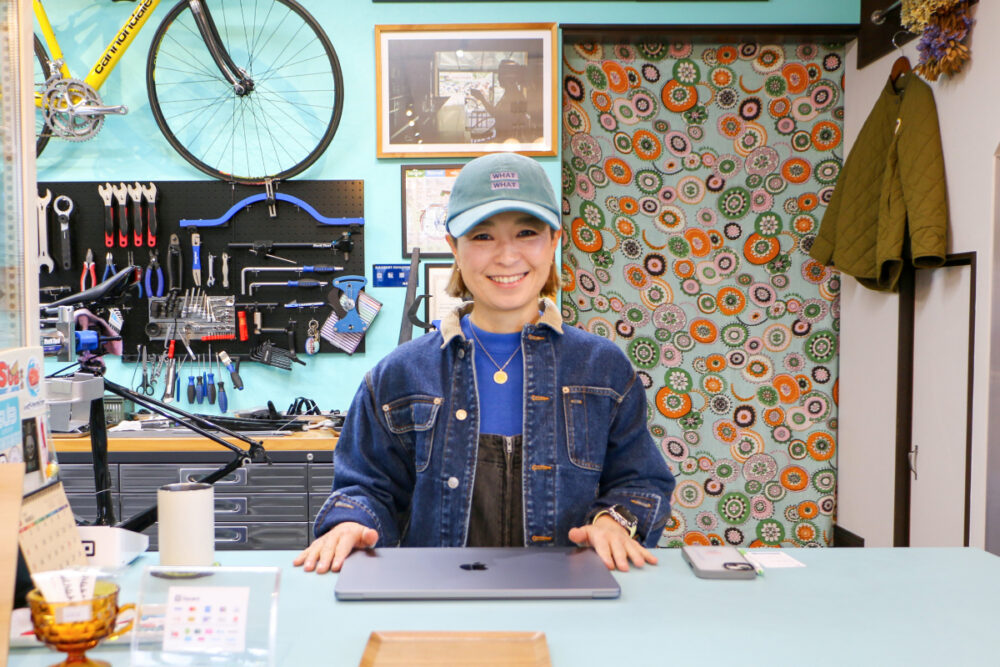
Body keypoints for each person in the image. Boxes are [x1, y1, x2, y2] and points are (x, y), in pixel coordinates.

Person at [294, 152, 675, 575]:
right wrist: (350, 522)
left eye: (527, 232)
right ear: (454, 247)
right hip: (437, 603)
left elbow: (640, 481)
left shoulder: (603, 369)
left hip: (570, 599)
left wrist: (614, 521)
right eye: (482, 236)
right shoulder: (397, 375)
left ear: (553, 240)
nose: (507, 256)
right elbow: (367, 487)